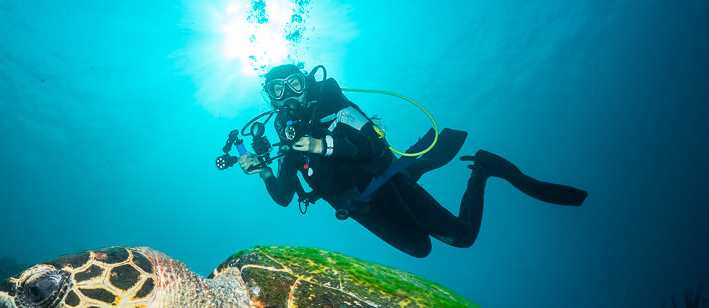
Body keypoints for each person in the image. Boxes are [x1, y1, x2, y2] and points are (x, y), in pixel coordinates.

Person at [239, 64, 587, 258]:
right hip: (361, 206)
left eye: (295, 84)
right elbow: (284, 196)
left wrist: (322, 145)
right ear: (269, 98)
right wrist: (265, 171)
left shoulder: (335, 108)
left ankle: (483, 171)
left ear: (306, 84)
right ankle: (416, 165)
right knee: (421, 248)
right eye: (279, 90)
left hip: (384, 180)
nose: (289, 95)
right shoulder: (290, 144)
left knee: (462, 238)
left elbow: (373, 146)